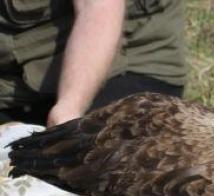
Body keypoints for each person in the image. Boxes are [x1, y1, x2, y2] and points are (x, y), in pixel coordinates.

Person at [0, 0, 186, 126]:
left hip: (119, 58)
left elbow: (98, 9)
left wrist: (68, 111)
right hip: (17, 76)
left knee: (95, 163)